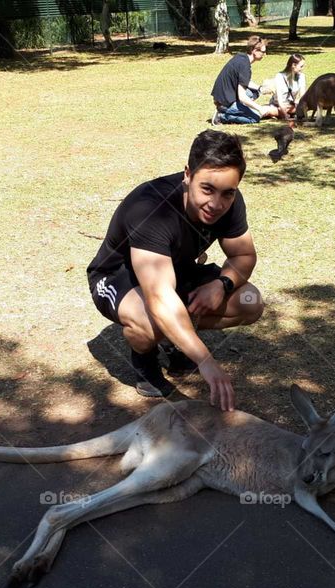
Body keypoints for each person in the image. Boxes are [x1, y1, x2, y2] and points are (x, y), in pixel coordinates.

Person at [86, 130, 264, 412]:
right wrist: (207, 362)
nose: (216, 204)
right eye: (207, 189)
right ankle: (145, 359)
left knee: (251, 302)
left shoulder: (230, 202)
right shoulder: (151, 207)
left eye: (227, 193)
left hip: (175, 272)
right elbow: (158, 297)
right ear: (188, 175)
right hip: (118, 277)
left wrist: (222, 285)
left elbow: (243, 255)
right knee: (152, 321)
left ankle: (176, 339)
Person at [210, 35, 279, 125]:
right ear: (254, 51)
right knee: (255, 118)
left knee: (255, 92)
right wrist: (259, 108)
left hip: (220, 98)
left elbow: (244, 81)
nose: (265, 54)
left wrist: (260, 88)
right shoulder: (245, 66)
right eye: (263, 52)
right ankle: (222, 116)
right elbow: (242, 97)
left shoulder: (241, 58)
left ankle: (237, 109)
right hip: (225, 104)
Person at [270, 53, 307, 120]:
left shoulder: (301, 76)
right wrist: (285, 115)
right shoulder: (280, 76)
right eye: (301, 66)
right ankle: (278, 112)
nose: (302, 69)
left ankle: (279, 113)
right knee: (273, 110)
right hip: (278, 104)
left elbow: (303, 96)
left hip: (291, 105)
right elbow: (280, 99)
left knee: (302, 107)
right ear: (293, 65)